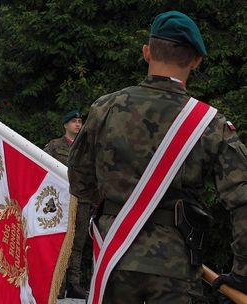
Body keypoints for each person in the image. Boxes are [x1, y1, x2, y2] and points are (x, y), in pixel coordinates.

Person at [68, 11, 247, 303]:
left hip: (114, 257)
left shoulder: (105, 108)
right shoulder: (210, 125)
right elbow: (243, 199)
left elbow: (80, 182)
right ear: (196, 60)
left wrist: (117, 208)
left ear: (147, 52)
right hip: (175, 265)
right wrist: (242, 273)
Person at [44, 110, 89, 299]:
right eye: (73, 122)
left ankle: (74, 284)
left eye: (79, 121)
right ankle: (58, 283)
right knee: (61, 240)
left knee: (78, 242)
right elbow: (44, 167)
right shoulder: (55, 146)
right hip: (61, 201)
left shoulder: (87, 148)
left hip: (82, 200)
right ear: (65, 125)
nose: (78, 125)